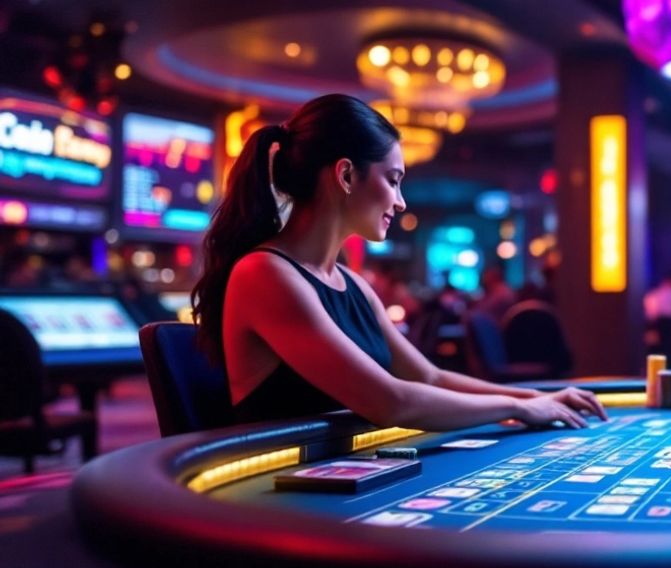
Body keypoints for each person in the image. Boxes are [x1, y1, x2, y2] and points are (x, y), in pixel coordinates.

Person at [192, 94, 605, 430]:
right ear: (347, 176)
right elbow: (391, 402)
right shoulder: (263, 273)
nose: (400, 200)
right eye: (392, 180)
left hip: (341, 480)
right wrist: (516, 409)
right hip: (277, 499)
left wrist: (536, 398)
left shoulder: (351, 284)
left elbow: (428, 378)